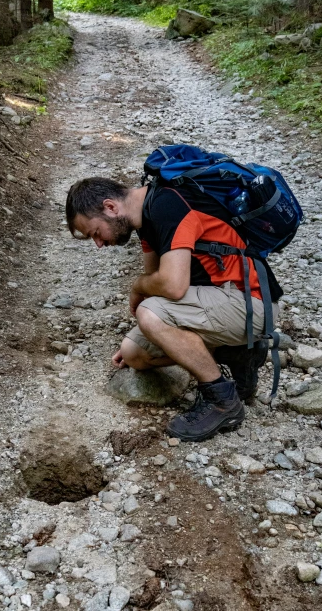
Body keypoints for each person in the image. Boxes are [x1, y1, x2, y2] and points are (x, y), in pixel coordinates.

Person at [65, 176, 282, 442]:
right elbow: (156, 284)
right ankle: (236, 352)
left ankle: (222, 400)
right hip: (221, 302)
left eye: (95, 233)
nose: (99, 244)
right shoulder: (145, 220)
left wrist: (137, 287)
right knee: (135, 354)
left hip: (250, 303)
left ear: (110, 208)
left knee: (151, 314)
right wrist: (151, 321)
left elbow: (172, 286)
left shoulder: (168, 205)